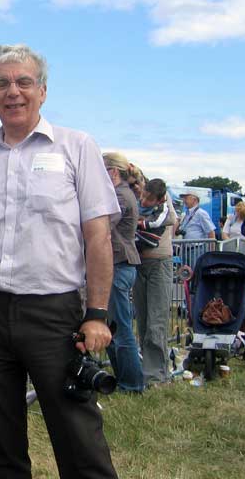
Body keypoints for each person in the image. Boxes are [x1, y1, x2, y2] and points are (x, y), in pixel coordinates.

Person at [0, 44, 119, 478]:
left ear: (42, 91)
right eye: (1, 83)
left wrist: (96, 314)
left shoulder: (77, 147)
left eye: (23, 82)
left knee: (77, 433)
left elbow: (98, 236)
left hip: (52, 313)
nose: (12, 92)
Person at [102, 152, 144, 393]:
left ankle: (131, 383)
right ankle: (124, 380)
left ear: (113, 172)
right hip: (118, 265)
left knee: (121, 328)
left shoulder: (119, 196)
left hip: (119, 265)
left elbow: (103, 225)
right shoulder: (123, 194)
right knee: (113, 327)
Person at [133, 178, 177, 386]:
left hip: (159, 264)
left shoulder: (164, 206)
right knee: (142, 320)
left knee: (156, 321)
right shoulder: (138, 200)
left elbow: (171, 221)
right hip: (140, 264)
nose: (142, 198)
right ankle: (148, 370)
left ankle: (157, 375)